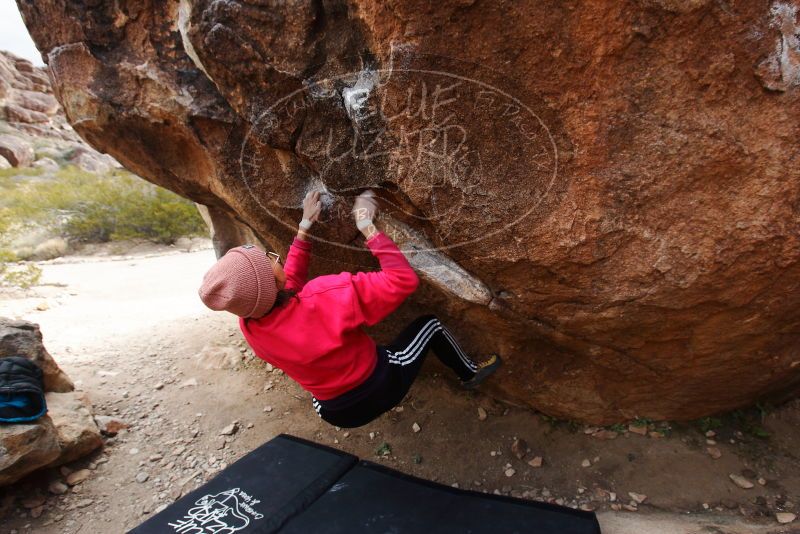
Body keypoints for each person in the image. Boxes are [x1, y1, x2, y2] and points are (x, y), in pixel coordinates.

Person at [197, 189, 502, 428]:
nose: (275, 258)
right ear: (269, 282)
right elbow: (402, 280)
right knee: (430, 326)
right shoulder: (326, 296)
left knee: (324, 393)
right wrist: (366, 225)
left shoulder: (251, 326)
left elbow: (285, 287)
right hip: (378, 389)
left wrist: (305, 227)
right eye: (269, 259)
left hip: (335, 412)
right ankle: (470, 373)